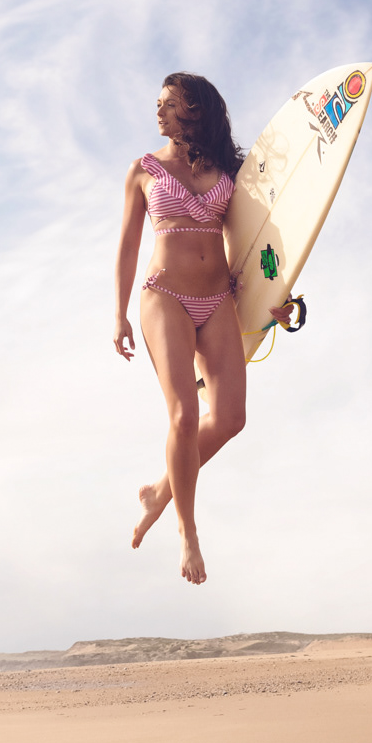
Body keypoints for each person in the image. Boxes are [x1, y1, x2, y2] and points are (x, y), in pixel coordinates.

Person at [112, 72, 282, 584]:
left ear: (196, 110)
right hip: (165, 297)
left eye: (168, 103)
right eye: (158, 103)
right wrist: (118, 312)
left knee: (230, 418)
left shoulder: (231, 170)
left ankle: (159, 489)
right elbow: (126, 245)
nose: (158, 111)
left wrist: (275, 292)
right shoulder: (143, 170)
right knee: (184, 415)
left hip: (219, 300)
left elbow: (263, 238)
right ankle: (186, 531)